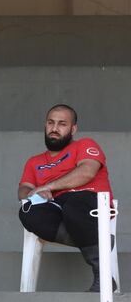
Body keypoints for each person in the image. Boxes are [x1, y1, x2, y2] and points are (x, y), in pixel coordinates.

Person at [18, 104, 115, 292]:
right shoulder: (34, 161)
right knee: (28, 212)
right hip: (58, 207)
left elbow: (87, 172)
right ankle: (99, 240)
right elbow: (24, 189)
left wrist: (47, 186)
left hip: (91, 202)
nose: (54, 128)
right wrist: (33, 193)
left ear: (73, 129)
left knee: (74, 205)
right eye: (50, 123)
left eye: (62, 124)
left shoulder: (85, 144)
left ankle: (102, 275)